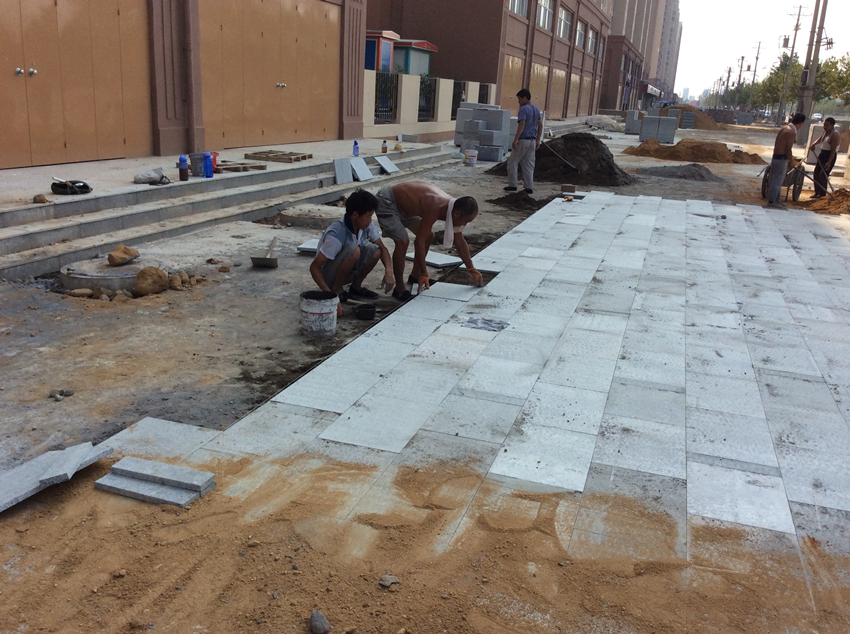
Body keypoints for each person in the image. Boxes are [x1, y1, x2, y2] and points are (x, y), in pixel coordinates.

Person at [375, 181, 482, 300]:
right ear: (457, 214)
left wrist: (471, 268)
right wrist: (425, 273)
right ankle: (399, 289)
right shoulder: (436, 206)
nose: (465, 225)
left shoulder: (455, 208)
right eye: (466, 221)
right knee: (403, 241)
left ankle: (415, 276)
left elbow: (460, 241)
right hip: (388, 201)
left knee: (429, 236)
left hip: (406, 209)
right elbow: (419, 242)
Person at [309, 189, 393, 315]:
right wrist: (329, 296)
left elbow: (383, 248)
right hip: (328, 276)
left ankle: (356, 287)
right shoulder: (336, 234)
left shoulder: (365, 226)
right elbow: (314, 267)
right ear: (355, 215)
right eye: (368, 216)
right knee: (354, 250)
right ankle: (336, 289)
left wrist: (389, 271)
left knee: (375, 250)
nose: (370, 220)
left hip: (347, 272)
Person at [505, 88, 543, 195]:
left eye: (519, 99)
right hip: (532, 141)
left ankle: (513, 185)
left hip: (523, 140)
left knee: (513, 162)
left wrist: (516, 139)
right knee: (528, 165)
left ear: (525, 98)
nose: (518, 101)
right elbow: (540, 125)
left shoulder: (523, 109)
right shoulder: (536, 109)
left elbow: (522, 124)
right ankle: (529, 187)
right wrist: (538, 139)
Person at [766, 113, 806, 209]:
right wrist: (791, 162)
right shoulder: (791, 132)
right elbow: (788, 149)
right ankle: (771, 201)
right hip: (781, 158)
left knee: (778, 180)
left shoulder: (784, 128)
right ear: (800, 123)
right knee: (777, 181)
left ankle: (777, 200)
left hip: (776, 157)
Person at [809, 117, 840, 199]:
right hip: (823, 154)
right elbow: (820, 139)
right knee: (816, 173)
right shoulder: (826, 132)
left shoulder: (835, 135)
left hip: (829, 156)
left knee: (822, 175)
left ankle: (822, 194)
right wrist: (813, 144)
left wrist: (829, 162)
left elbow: (833, 150)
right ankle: (817, 192)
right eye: (824, 125)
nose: (825, 127)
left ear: (832, 125)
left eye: (827, 125)